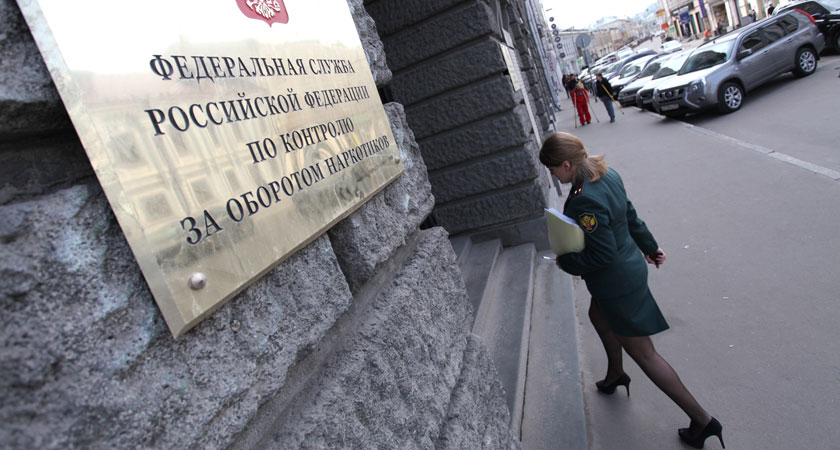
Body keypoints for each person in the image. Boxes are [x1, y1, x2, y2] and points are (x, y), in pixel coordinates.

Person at [539, 132, 724, 449]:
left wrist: (565, 261)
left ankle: (703, 420)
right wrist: (650, 247)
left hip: (616, 282)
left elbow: (601, 255)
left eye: (553, 169)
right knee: (597, 315)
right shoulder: (606, 173)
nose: (552, 175)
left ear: (567, 164)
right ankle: (615, 374)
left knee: (646, 354)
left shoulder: (584, 199)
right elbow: (630, 216)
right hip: (628, 268)